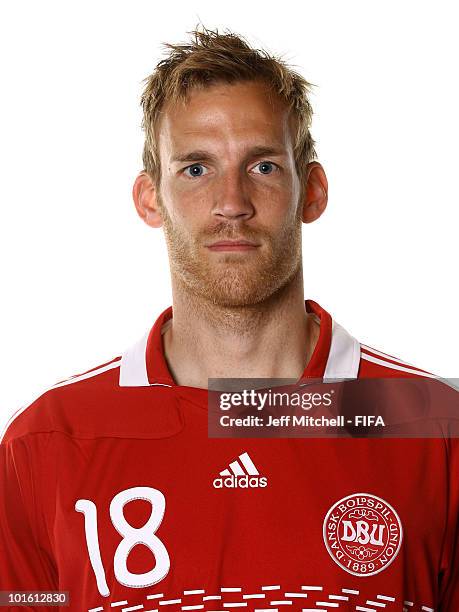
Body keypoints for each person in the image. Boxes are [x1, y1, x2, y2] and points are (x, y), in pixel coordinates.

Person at [1, 26, 458, 612]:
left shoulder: (432, 428)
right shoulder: (45, 443)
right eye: (196, 169)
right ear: (150, 199)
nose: (232, 203)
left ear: (312, 191)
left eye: (263, 166)